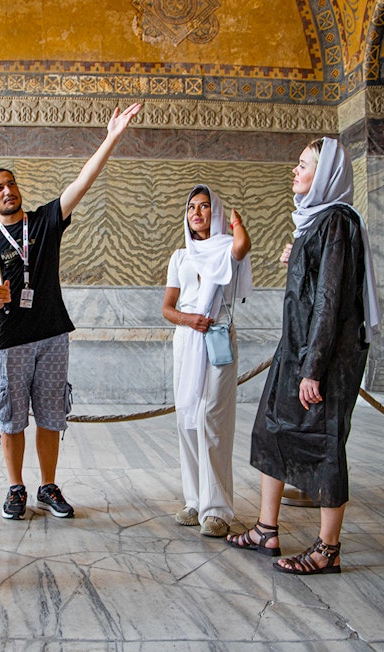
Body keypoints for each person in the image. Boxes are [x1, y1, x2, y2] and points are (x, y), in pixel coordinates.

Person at [0, 102, 142, 521]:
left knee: (50, 416)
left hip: (52, 335)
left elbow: (83, 182)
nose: (8, 191)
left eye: (12, 184)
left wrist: (111, 138)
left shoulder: (45, 221)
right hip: (10, 341)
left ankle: (48, 486)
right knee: (10, 419)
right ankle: (16, 489)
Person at [226, 137, 380, 574]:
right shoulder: (315, 224)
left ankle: (327, 549)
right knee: (271, 429)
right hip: (295, 349)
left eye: (303, 165)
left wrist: (313, 370)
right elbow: (317, 282)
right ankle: (265, 529)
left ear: (326, 174)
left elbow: (330, 301)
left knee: (324, 444)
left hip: (323, 357)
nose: (295, 171)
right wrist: (297, 257)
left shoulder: (336, 221)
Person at [162, 185, 252, 538]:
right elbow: (168, 308)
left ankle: (217, 509)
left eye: (204, 207)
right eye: (191, 208)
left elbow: (243, 246)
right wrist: (189, 321)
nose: (196, 213)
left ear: (216, 211)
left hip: (216, 338)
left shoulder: (226, 249)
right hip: (187, 339)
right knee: (187, 417)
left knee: (212, 416)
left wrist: (236, 221)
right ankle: (195, 500)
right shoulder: (180, 257)